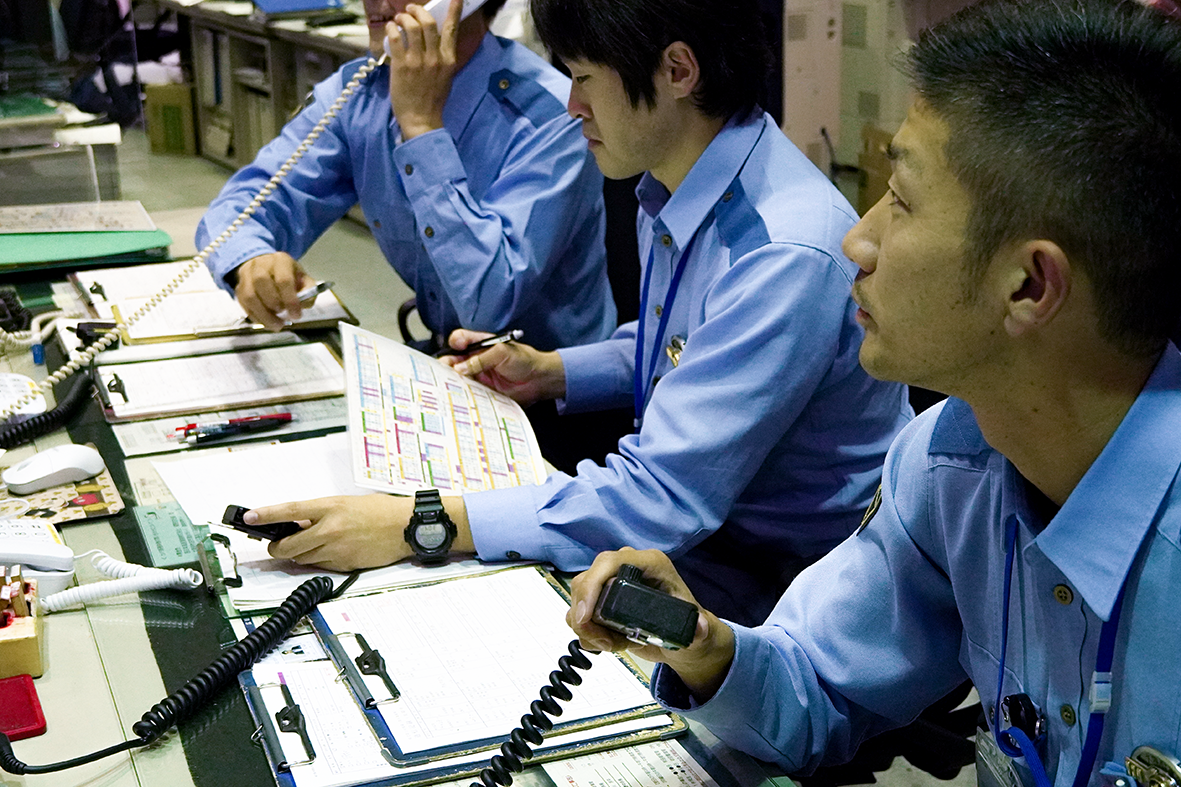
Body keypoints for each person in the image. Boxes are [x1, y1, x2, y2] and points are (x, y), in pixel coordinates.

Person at [565, 0, 1181, 780]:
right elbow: (816, 686)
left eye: (901, 200)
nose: (856, 238)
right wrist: (707, 647)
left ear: (1028, 284)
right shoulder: (946, 459)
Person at [245, 0, 911, 628]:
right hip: (706, 532)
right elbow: (684, 345)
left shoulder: (778, 251)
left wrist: (414, 522)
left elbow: (657, 501)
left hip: (780, 581)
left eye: (585, 79)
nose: (572, 106)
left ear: (677, 70)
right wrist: (552, 370)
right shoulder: (689, 177)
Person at [195, 0, 615, 353]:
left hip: (552, 401)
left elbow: (488, 304)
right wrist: (249, 258)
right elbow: (245, 204)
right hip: (446, 369)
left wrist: (420, 127)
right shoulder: (363, 93)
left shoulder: (556, 116)